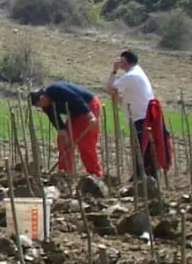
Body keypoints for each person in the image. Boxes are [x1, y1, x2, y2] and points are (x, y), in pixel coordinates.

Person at [108, 49, 170, 193]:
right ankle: (143, 178)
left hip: (142, 118)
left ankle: (142, 178)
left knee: (142, 149)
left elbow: (109, 88)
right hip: (142, 116)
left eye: (121, 61)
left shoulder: (132, 75)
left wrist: (114, 70)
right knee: (143, 149)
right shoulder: (136, 73)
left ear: (124, 62)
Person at [29, 81, 103, 183]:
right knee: (63, 141)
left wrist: (89, 115)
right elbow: (54, 118)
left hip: (88, 106)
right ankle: (64, 174)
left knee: (86, 143)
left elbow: (76, 99)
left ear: (42, 98)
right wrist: (63, 132)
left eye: (39, 104)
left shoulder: (56, 90)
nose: (40, 107)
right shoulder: (46, 106)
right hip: (75, 113)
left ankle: (95, 174)